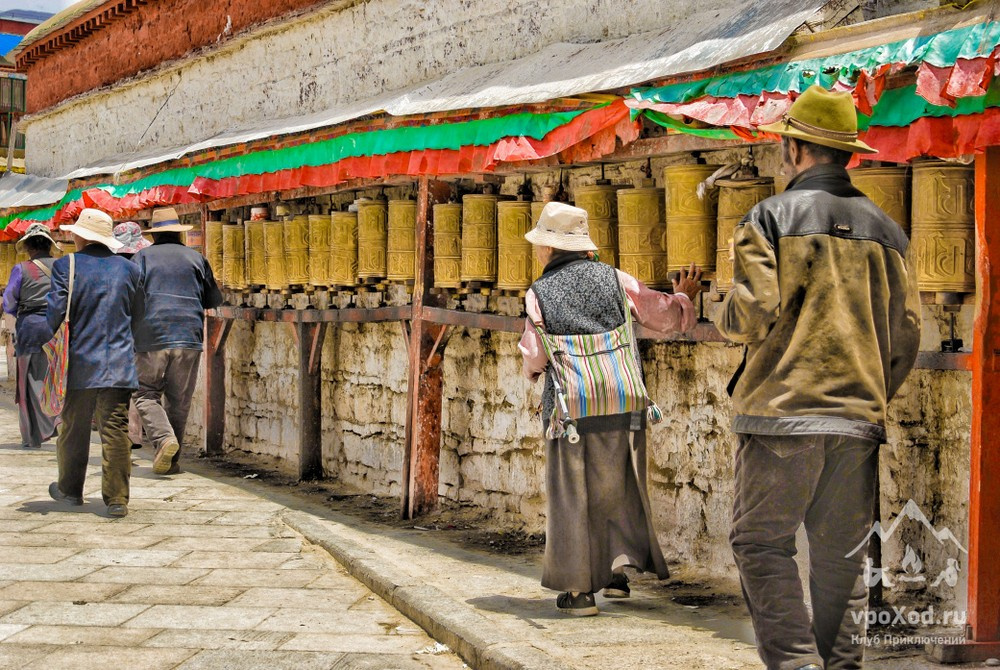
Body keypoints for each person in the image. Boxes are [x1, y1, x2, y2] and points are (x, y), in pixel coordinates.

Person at [716, 85, 922, 670]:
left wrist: (719, 312)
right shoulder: (888, 231)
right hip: (858, 420)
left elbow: (751, 314)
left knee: (760, 544)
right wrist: (868, 394)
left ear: (794, 148)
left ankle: (797, 662)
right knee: (841, 558)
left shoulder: (768, 218)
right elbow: (906, 335)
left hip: (782, 416)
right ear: (848, 154)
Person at [518, 201, 701, 617]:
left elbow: (533, 354)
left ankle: (580, 593)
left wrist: (534, 374)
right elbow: (663, 315)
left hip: (569, 408)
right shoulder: (614, 279)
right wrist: (685, 299)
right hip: (620, 399)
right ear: (583, 246)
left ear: (548, 249)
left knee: (572, 496)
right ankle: (617, 573)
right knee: (614, 485)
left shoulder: (539, 293)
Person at [46, 208, 141, 518]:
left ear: (80, 236)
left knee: (74, 427)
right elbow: (139, 313)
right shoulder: (129, 269)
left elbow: (55, 314)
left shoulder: (66, 266)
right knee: (115, 428)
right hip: (119, 361)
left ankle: (70, 491)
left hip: (79, 362)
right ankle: (116, 499)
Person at [133, 207, 222, 475]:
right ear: (178, 233)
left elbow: (132, 296)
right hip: (189, 336)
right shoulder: (197, 259)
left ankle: (163, 440)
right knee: (179, 400)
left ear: (154, 236)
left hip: (151, 335)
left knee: (145, 393)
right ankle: (171, 461)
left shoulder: (141, 258)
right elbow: (213, 300)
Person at [3, 224, 59, 449]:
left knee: (28, 382)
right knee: (54, 377)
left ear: (27, 246)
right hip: (55, 329)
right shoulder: (60, 266)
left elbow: (9, 301)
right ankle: (57, 420)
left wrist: (22, 312)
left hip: (29, 330)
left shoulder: (21, 269)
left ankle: (33, 435)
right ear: (48, 245)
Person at [113, 221, 151, 451]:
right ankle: (135, 433)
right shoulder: (141, 267)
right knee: (139, 385)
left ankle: (130, 433)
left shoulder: (113, 268)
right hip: (141, 332)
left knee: (124, 386)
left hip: (117, 333)